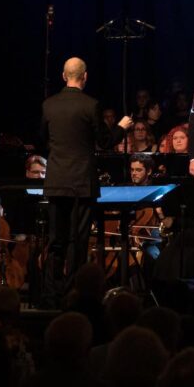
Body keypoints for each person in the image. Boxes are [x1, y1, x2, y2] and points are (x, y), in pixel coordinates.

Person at [40, 56, 131, 304]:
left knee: (56, 239)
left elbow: (42, 140)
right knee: (77, 241)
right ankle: (72, 295)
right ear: (85, 77)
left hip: (57, 179)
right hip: (81, 181)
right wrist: (121, 127)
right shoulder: (90, 105)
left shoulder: (49, 105)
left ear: (63, 75)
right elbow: (104, 142)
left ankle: (50, 294)